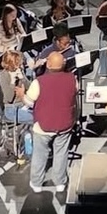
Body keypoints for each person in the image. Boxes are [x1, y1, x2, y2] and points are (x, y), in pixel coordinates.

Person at [25, 51, 78, 193]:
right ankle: (60, 183)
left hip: (43, 125)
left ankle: (36, 184)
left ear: (48, 64)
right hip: (65, 123)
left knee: (39, 154)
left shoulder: (39, 82)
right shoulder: (72, 78)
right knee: (61, 153)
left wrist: (21, 95)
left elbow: (29, 103)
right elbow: (73, 94)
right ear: (64, 64)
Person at [0, 49, 36, 126]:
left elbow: (30, 88)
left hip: (24, 104)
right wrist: (12, 82)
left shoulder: (19, 70)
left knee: (43, 112)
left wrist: (22, 78)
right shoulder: (3, 75)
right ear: (11, 64)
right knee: (36, 118)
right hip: (12, 109)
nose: (20, 65)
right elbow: (9, 98)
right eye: (17, 63)